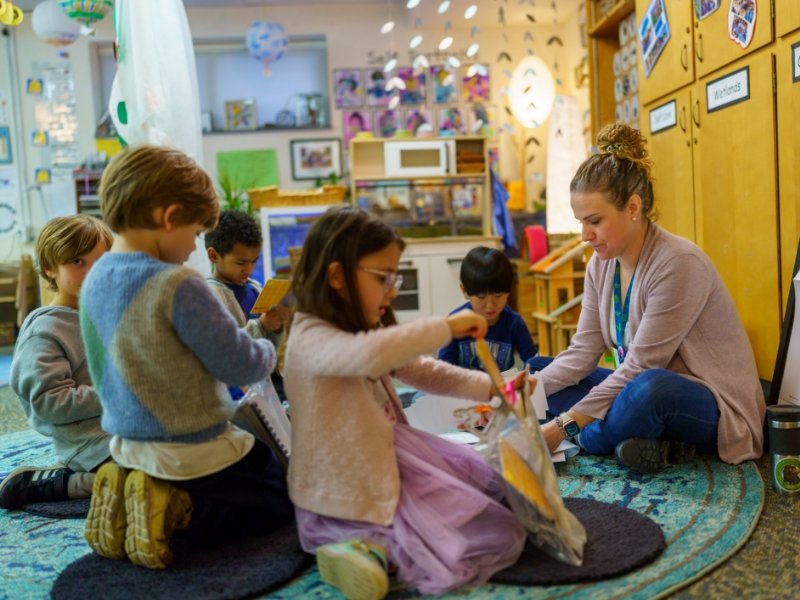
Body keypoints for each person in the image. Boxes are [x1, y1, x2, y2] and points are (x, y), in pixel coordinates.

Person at [282, 205, 526, 600]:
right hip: (344, 484)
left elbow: (423, 371)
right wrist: (446, 327)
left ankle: (372, 552)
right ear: (337, 277)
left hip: (385, 458)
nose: (392, 290)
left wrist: (492, 387)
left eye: (394, 277)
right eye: (383, 278)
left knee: (491, 495)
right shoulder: (309, 337)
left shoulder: (363, 329)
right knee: (457, 538)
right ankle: (361, 553)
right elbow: (372, 354)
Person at [79, 145, 293, 570]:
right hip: (190, 445)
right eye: (195, 234)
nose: (194, 247)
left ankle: (130, 490)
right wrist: (270, 348)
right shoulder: (179, 284)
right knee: (281, 495)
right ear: (169, 216)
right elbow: (240, 365)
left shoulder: (93, 280)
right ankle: (179, 511)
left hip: (124, 443)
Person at [528, 123, 765, 474]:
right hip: (634, 383)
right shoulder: (600, 265)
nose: (584, 235)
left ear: (633, 207)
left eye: (594, 221)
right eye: (581, 222)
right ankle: (634, 441)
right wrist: (517, 394)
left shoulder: (678, 263)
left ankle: (588, 438)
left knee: (648, 391)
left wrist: (564, 425)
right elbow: (582, 353)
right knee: (536, 372)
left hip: (703, 400)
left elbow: (642, 368)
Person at [0, 215, 113, 510]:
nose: (92, 272)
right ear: (50, 268)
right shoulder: (45, 330)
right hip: (89, 442)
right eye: (78, 262)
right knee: (155, 477)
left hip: (124, 426)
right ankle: (62, 481)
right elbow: (51, 402)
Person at [204, 210, 287, 399]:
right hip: (243, 395)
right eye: (241, 262)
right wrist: (261, 325)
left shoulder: (255, 288)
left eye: (254, 261)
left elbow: (271, 348)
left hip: (269, 384)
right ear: (214, 256)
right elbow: (224, 350)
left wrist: (276, 326)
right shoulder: (210, 296)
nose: (248, 269)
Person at [439, 246, 537, 372]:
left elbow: (533, 361)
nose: (490, 305)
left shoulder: (514, 323)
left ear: (508, 291)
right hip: (463, 388)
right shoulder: (456, 323)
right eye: (481, 297)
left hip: (500, 387)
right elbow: (443, 369)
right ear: (464, 291)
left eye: (498, 296)